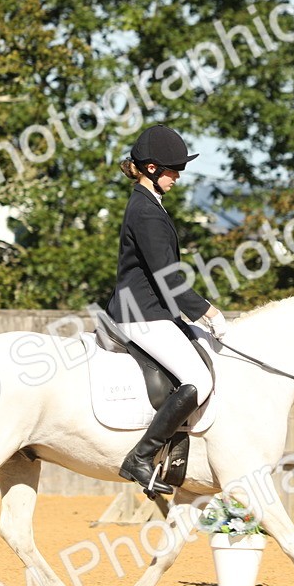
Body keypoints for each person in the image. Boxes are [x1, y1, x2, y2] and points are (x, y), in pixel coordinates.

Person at [105, 124, 226, 495]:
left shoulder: (149, 205)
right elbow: (167, 278)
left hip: (153, 310)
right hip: (142, 313)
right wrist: (207, 311)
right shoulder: (146, 212)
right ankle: (140, 457)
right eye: (174, 170)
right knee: (199, 380)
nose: (179, 176)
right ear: (153, 169)